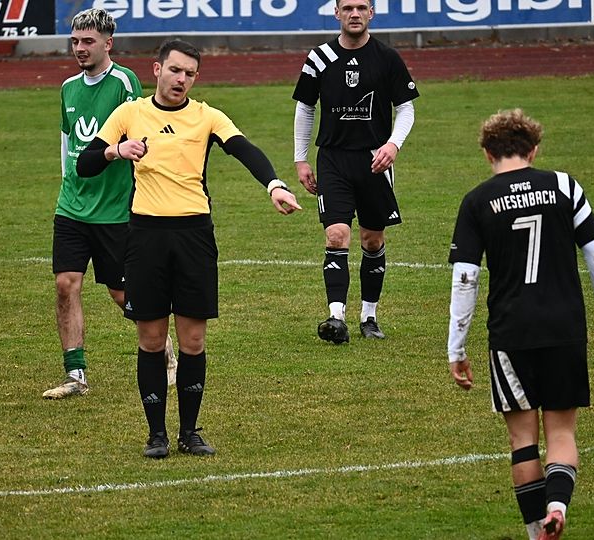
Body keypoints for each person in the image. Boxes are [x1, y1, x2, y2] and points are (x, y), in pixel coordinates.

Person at [77, 39, 302, 458]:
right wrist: (115, 150)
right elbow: (84, 164)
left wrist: (274, 185)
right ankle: (156, 435)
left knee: (193, 340)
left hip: (194, 236)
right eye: (175, 70)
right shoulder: (129, 114)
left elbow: (244, 149)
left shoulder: (206, 116)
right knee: (151, 339)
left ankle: (189, 432)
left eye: (190, 74)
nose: (181, 79)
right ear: (157, 69)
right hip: (145, 236)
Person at [445, 109, 594, 540]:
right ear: (534, 150)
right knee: (562, 433)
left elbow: (465, 278)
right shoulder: (564, 186)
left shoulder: (476, 201)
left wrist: (456, 347)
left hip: (511, 332)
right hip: (564, 328)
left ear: (487, 153)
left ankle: (536, 532)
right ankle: (557, 506)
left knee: (522, 442)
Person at [43, 8, 178, 400]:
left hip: (114, 209)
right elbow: (68, 142)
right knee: (65, 284)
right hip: (72, 206)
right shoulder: (68, 87)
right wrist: (67, 184)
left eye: (88, 41)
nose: (80, 48)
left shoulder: (124, 82)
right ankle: (76, 375)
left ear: (108, 43)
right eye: (75, 41)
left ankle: (166, 350)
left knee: (122, 295)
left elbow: (141, 134)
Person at [292, 0, 419, 344]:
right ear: (336, 13)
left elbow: (406, 108)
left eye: (362, 7)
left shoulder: (387, 58)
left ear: (371, 13)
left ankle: (369, 316)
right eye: (347, 8)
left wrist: (393, 145)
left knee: (372, 239)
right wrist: (301, 159)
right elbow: (305, 108)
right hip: (333, 159)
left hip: (375, 160)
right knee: (336, 235)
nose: (354, 14)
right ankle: (336, 318)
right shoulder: (319, 57)